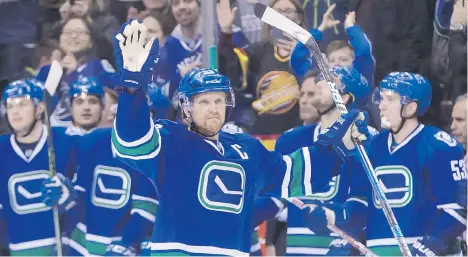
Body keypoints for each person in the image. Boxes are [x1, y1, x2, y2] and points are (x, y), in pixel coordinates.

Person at [110, 20, 368, 256]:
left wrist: (337, 148)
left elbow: (292, 175)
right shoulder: (170, 139)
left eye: (219, 101)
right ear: (187, 108)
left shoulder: (246, 149)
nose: (213, 108)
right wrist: (133, 87)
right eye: (204, 102)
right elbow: (132, 141)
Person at [305, 72, 467, 256]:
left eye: (390, 99)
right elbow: (360, 203)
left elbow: (458, 211)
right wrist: (333, 215)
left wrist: (429, 247)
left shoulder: (440, 146)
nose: (381, 106)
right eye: (381, 98)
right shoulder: (371, 147)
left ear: (410, 107)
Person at [275, 66, 371, 256]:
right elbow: (274, 195)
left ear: (344, 98)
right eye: (319, 79)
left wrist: (334, 215)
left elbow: (365, 203)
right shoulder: (290, 140)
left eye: (329, 81)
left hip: (339, 250)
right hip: (296, 250)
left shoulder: (366, 142)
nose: (319, 83)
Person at [0, 79, 78, 255]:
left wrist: (69, 195)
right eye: (10, 106)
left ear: (40, 108)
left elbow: (86, 195)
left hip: (65, 247)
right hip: (17, 249)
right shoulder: (1, 149)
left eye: (22, 104)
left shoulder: (67, 142)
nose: (15, 112)